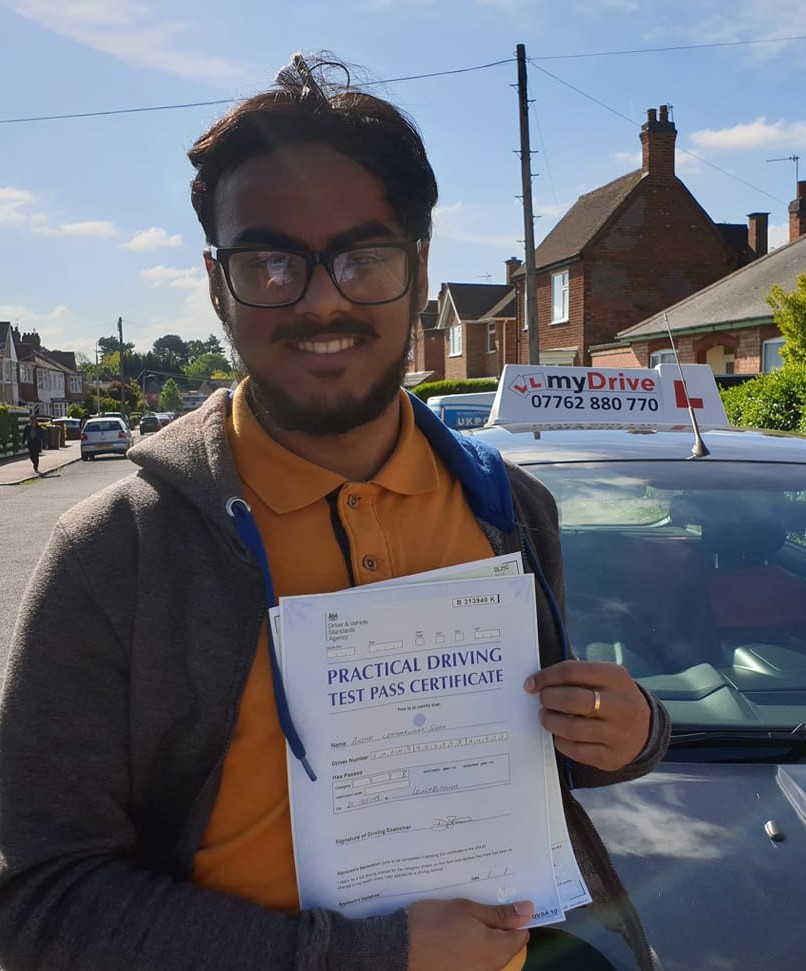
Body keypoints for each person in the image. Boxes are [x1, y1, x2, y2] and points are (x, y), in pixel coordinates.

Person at [0, 53, 670, 971]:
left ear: (419, 265)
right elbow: (39, 903)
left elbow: (534, 761)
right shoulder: (117, 554)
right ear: (215, 281)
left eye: (363, 256)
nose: (322, 299)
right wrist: (372, 954)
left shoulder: (511, 508)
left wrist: (632, 735)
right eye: (270, 260)